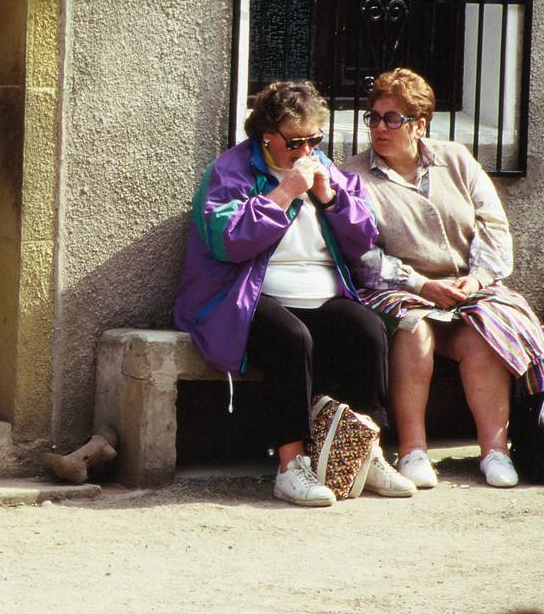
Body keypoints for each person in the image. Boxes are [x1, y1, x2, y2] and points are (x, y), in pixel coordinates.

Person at [174, 80, 415, 506]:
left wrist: (329, 197)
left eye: (313, 140)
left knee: (367, 328)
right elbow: (228, 241)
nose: (305, 151)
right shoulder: (231, 172)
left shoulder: (324, 167)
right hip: (245, 297)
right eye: (295, 142)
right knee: (290, 338)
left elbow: (363, 238)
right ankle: (291, 465)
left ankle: (367, 452)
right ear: (267, 134)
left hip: (320, 291)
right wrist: (284, 193)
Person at [342, 68, 544, 488]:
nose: (380, 128)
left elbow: (494, 226)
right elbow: (361, 255)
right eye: (374, 117)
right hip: (398, 287)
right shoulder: (354, 177)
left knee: (484, 334)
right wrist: (421, 285)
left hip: (465, 286)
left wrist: (475, 281)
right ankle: (413, 451)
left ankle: (495, 451)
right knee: (414, 329)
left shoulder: (455, 159)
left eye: (392, 118)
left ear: (419, 125)